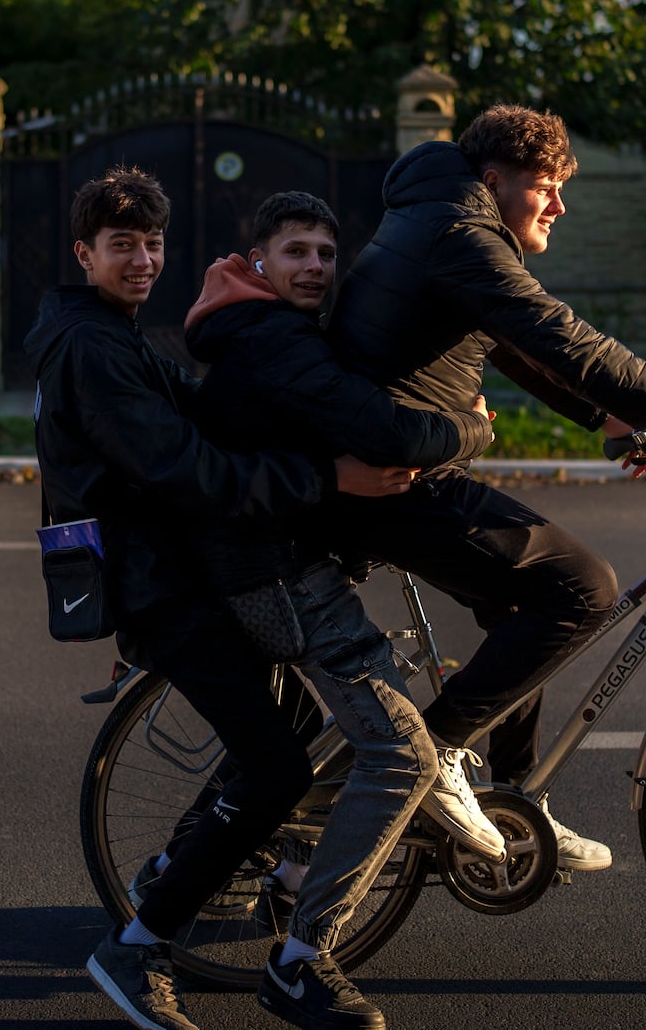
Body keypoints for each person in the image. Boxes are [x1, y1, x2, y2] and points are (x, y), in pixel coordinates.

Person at [24, 165, 415, 1030]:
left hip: (173, 570)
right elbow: (186, 468)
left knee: (290, 733)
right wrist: (327, 475)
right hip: (159, 585)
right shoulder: (93, 347)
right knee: (276, 766)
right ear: (85, 251)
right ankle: (138, 943)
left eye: (153, 243)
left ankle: (185, 872)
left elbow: (199, 413)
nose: (143, 259)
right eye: (122, 244)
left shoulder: (110, 331)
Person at [326, 104, 646, 873]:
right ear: (494, 180)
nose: (559, 205)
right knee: (583, 588)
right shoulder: (462, 235)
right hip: (394, 480)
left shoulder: (442, 218)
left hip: (397, 464)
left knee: (528, 609)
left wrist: (607, 417)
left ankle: (514, 802)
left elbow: (511, 347)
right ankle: (431, 755)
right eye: (546, 187)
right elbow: (559, 334)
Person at [181, 190, 505, 1030]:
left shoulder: (257, 326)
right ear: (258, 262)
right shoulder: (274, 338)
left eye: (326, 254)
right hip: (274, 572)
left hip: (278, 555)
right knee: (402, 753)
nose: (315, 267)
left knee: (336, 730)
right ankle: (302, 959)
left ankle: (240, 870)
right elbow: (387, 431)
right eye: (296, 252)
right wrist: (470, 428)